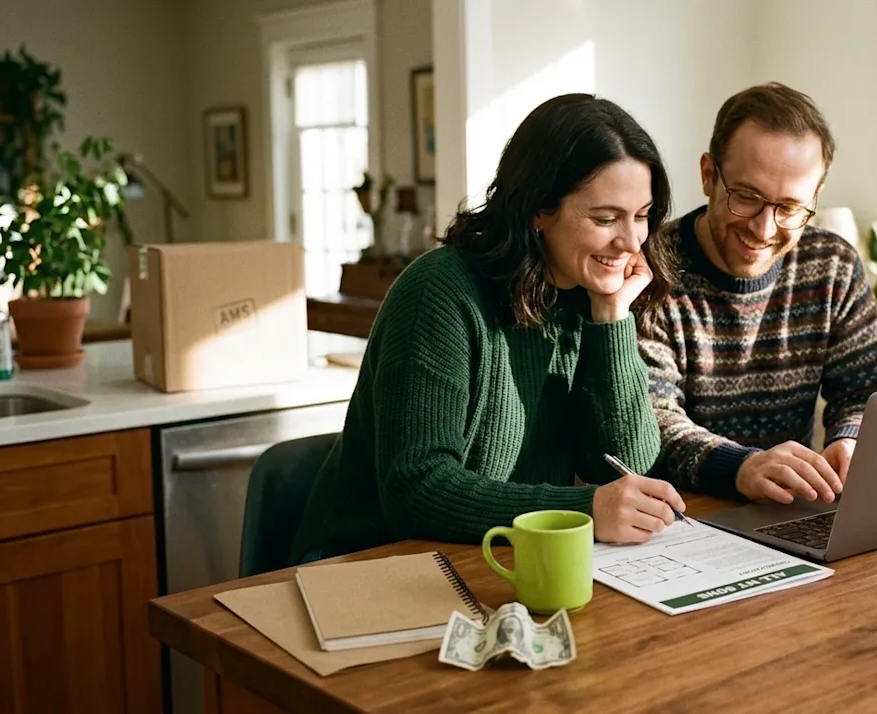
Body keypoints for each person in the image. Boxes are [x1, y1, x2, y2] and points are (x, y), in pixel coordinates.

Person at [290, 93, 688, 564]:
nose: (629, 241)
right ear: (540, 209)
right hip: (367, 565)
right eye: (605, 218)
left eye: (641, 216)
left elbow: (624, 462)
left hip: (494, 560)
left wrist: (612, 318)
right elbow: (416, 489)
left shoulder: (589, 295)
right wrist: (582, 510)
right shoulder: (438, 292)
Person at [639, 82, 877, 506]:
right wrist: (740, 466)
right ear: (708, 175)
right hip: (686, 515)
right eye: (747, 197)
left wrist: (851, 441)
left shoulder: (832, 265)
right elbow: (651, 419)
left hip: (793, 507)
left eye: (790, 208)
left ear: (815, 199)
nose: (763, 229)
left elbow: (867, 393)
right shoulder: (651, 270)